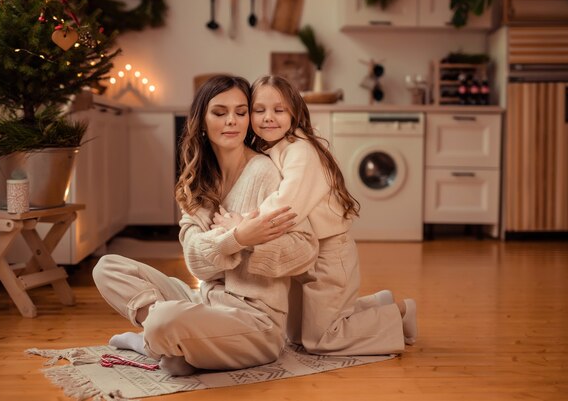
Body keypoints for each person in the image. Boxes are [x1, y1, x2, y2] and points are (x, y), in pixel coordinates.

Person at [92, 75, 318, 376]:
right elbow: (196, 263)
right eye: (220, 112)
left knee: (165, 320)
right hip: (204, 301)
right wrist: (236, 237)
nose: (232, 122)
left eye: (241, 112)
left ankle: (157, 340)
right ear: (202, 120)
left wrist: (253, 241)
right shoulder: (197, 182)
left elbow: (305, 249)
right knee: (107, 268)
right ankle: (171, 344)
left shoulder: (265, 172)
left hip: (256, 322)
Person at [213, 75, 417, 356]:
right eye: (259, 110)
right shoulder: (271, 148)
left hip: (329, 253)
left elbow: (287, 204)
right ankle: (378, 303)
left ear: (295, 111)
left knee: (322, 339)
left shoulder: (301, 150)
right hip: (303, 253)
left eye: (279, 110)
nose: (268, 118)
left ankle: (399, 313)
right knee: (295, 334)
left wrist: (243, 223)